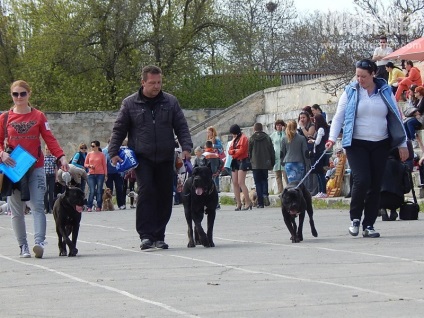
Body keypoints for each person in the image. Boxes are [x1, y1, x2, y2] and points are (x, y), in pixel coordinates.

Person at [108, 65, 192, 250]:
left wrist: (186, 147)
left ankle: (159, 235)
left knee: (164, 196)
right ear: (143, 82)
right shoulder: (130, 103)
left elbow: (181, 126)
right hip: (142, 157)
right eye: (152, 83)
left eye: (159, 82)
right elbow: (119, 129)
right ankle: (145, 235)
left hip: (165, 156)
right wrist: (113, 152)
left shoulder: (170, 102)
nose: (156, 86)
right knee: (146, 192)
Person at [325, 59, 408, 238]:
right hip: (356, 143)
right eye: (357, 76)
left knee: (376, 184)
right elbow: (339, 117)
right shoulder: (351, 91)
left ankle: (368, 224)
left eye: (363, 76)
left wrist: (402, 144)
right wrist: (331, 138)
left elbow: (396, 117)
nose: (359, 79)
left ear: (373, 75)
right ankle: (355, 218)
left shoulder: (385, 91)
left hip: (380, 143)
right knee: (362, 180)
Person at [0, 80, 69, 258]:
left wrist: (60, 156)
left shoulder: (38, 116)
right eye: (15, 94)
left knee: (38, 205)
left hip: (35, 166)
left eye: (23, 93)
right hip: (14, 168)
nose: (19, 97)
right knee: (16, 210)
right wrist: (2, 154)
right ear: (11, 96)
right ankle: (23, 246)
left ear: (29, 94)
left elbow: (49, 138)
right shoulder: (5, 118)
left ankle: (39, 243)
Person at [248, 123, 275, 208]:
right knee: (264, 180)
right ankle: (265, 195)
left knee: (258, 183)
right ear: (262, 128)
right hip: (265, 163)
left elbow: (249, 152)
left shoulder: (252, 138)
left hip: (255, 164)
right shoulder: (267, 138)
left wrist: (250, 162)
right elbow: (272, 150)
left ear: (254, 129)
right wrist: (272, 162)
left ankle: (260, 203)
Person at [228, 124, 252, 211]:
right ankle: (238, 203)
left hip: (243, 160)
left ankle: (248, 202)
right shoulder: (234, 139)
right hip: (235, 161)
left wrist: (234, 152)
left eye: (234, 133)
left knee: (241, 182)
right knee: (235, 182)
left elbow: (242, 150)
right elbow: (229, 150)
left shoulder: (244, 138)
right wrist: (234, 151)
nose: (233, 135)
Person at [308, 114, 330, 198]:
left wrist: (312, 141)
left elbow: (317, 142)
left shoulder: (321, 129)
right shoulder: (323, 129)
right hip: (319, 152)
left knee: (320, 173)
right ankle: (320, 191)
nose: (314, 122)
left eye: (315, 120)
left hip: (319, 153)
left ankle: (323, 191)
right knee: (317, 173)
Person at [103, 139, 126, 210]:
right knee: (109, 190)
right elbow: (103, 163)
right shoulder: (104, 151)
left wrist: (123, 172)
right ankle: (109, 205)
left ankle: (121, 204)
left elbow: (122, 161)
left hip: (118, 172)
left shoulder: (119, 150)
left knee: (119, 188)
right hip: (108, 173)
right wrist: (105, 174)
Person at [84, 140, 107, 212]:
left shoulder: (102, 154)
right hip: (91, 174)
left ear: (97, 146)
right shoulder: (89, 154)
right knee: (92, 190)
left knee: (99, 191)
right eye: (91, 146)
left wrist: (106, 175)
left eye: (93, 146)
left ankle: (99, 206)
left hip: (100, 174)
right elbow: (85, 164)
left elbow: (104, 165)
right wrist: (89, 166)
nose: (92, 147)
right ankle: (89, 206)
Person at [269, 119, 287, 194]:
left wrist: (283, 132)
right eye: (277, 125)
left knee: (285, 175)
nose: (278, 127)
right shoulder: (273, 135)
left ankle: (288, 188)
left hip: (284, 156)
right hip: (276, 157)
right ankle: (280, 190)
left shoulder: (285, 134)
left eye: (280, 125)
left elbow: (284, 140)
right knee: (277, 175)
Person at [43, 146, 57, 214]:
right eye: (46, 149)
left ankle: (51, 208)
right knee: (45, 192)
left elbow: (55, 168)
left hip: (51, 176)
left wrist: (56, 177)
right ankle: (46, 208)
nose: (47, 151)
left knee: (51, 192)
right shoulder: (43, 158)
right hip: (45, 175)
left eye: (48, 149)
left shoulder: (54, 158)